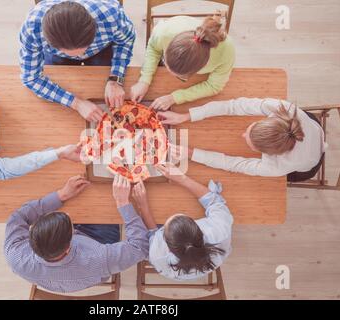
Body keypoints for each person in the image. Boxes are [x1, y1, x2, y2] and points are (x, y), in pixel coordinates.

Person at [4, 174, 149, 293]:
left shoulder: (16, 257)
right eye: (71, 226)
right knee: (105, 207)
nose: (67, 213)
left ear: (31, 240)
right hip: (95, 249)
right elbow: (140, 246)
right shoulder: (99, 259)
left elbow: (17, 217)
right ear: (69, 245)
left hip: (75, 274)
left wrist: (61, 195)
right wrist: (123, 202)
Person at [158, 97, 327, 182]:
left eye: (249, 142)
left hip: (309, 166)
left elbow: (233, 164)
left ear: (268, 154)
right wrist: (185, 116)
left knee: (284, 180)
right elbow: (232, 106)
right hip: (313, 126)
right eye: (250, 129)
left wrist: (191, 153)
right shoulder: (283, 109)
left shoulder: (275, 167)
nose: (242, 135)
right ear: (267, 119)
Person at [20, 0, 136, 122]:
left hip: (100, 51)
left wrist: (115, 79)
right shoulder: (32, 28)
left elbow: (126, 41)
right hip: (57, 57)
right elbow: (31, 78)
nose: (80, 56)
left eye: (83, 49)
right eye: (70, 52)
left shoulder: (112, 16)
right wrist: (76, 103)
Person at [131, 164, 233, 280]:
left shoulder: (158, 255)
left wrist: (142, 205)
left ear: (166, 243)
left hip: (173, 271)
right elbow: (214, 202)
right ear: (197, 229)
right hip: (212, 259)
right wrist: (181, 178)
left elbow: (152, 235)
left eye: (164, 228)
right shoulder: (220, 230)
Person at [130, 15, 235, 110]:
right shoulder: (165, 32)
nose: (169, 73)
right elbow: (154, 48)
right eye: (166, 63)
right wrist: (144, 80)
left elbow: (214, 86)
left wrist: (174, 98)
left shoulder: (227, 52)